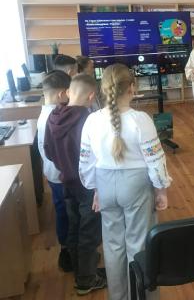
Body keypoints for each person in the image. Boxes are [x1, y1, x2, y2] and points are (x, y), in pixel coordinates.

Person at [79, 63, 171, 300]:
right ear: (132, 87)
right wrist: (161, 190)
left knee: (112, 246)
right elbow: (155, 160)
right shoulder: (141, 120)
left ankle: (118, 296)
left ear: (103, 88)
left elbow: (86, 162)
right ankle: (141, 296)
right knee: (139, 245)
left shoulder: (91, 121)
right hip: (136, 186)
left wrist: (96, 189)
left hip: (105, 185)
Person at [44, 74, 106, 295]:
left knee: (74, 227)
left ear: (69, 92)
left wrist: (65, 165)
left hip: (66, 182)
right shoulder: (89, 120)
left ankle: (80, 268)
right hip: (88, 186)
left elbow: (48, 152)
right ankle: (86, 280)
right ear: (91, 96)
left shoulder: (53, 115)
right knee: (89, 232)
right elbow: (98, 155)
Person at [37, 70, 71, 272]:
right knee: (65, 212)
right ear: (61, 94)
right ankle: (67, 252)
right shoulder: (55, 117)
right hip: (61, 175)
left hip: (52, 173)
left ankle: (67, 248)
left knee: (61, 210)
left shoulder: (45, 113)